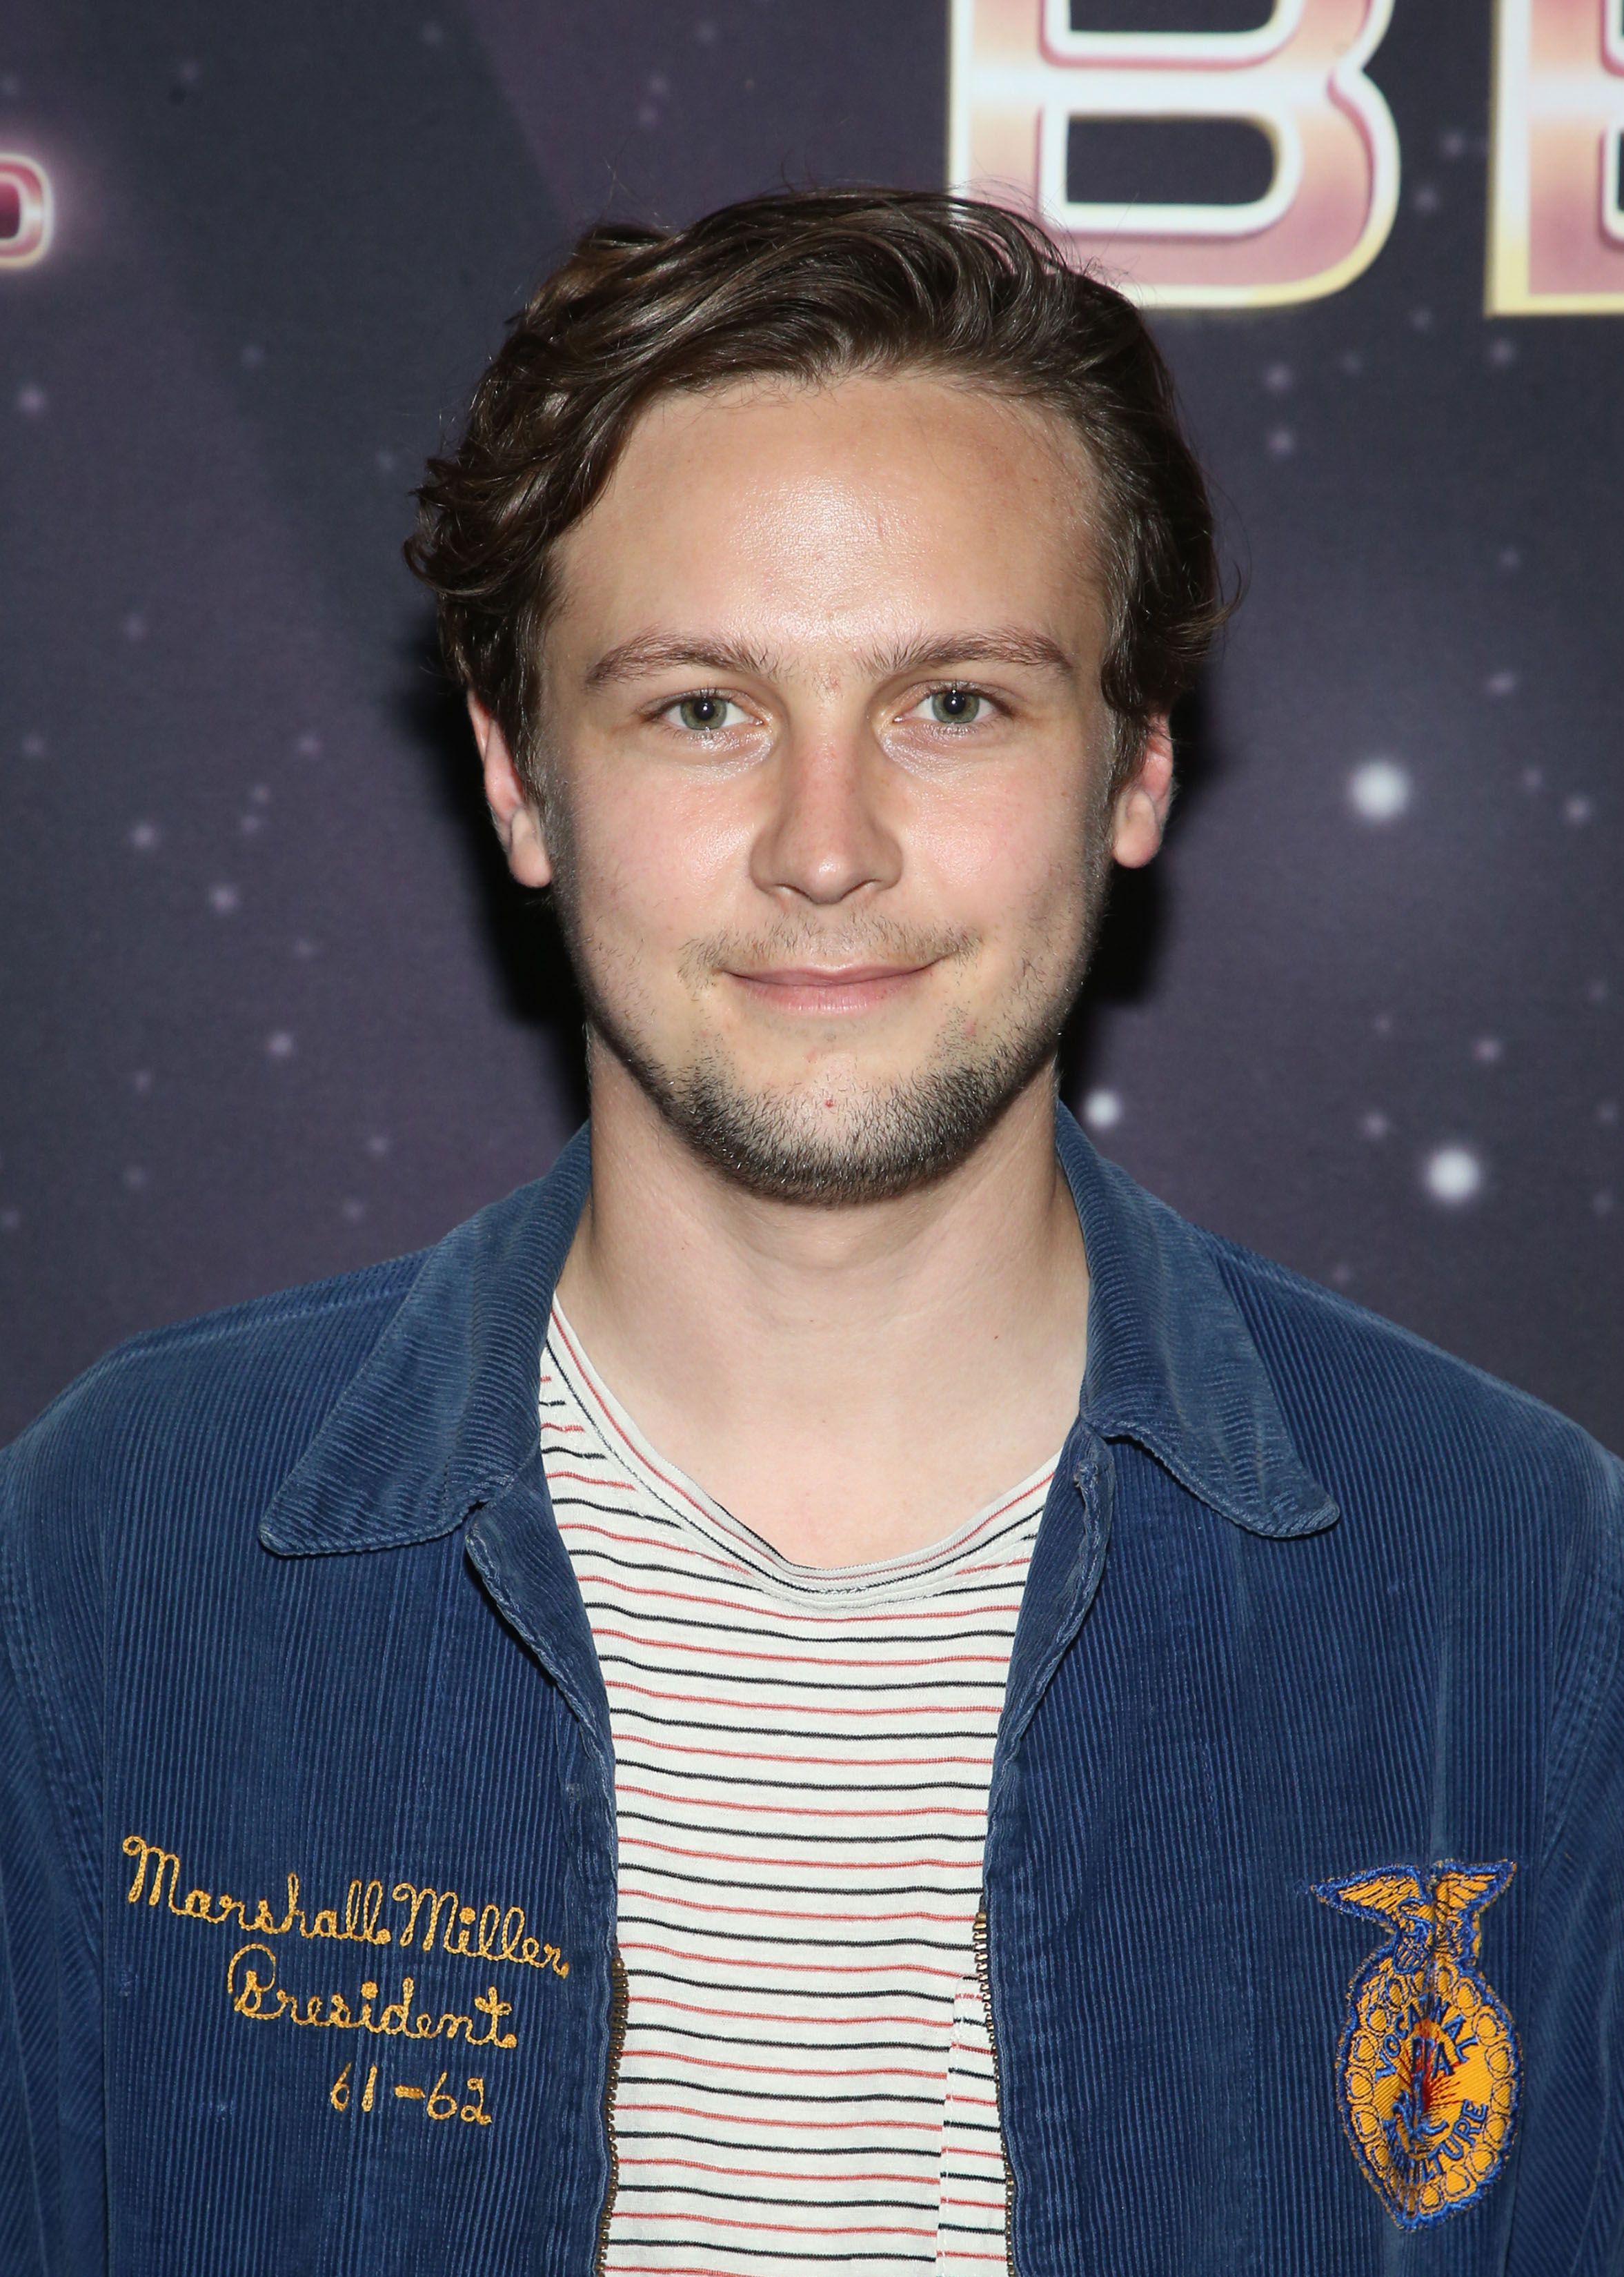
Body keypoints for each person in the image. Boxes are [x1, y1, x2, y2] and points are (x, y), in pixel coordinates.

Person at [1, 189, 1618, 2277]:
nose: (826, 846)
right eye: (701, 708)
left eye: (953, 703)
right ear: (516, 780)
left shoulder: (1518, 1586)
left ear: (1131, 767)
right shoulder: (125, 1555)